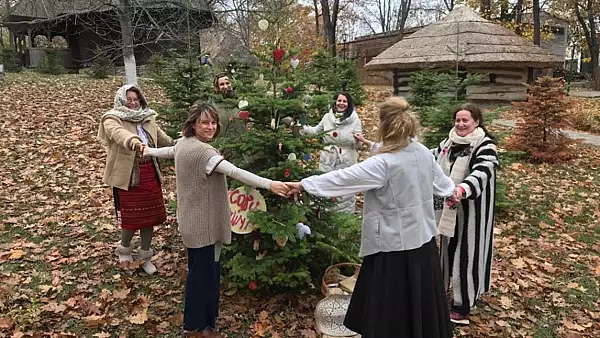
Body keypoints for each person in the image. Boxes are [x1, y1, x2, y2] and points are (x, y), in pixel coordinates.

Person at [287, 97, 455, 338]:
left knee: (390, 313)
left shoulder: (384, 164)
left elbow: (343, 178)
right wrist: (455, 192)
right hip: (424, 244)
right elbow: (444, 185)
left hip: (393, 249)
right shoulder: (422, 153)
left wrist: (303, 184)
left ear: (384, 123)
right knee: (420, 308)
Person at [143, 101, 289, 337]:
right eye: (204, 122)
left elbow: (168, 151)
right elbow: (235, 172)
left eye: (213, 122)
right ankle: (194, 327)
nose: (210, 127)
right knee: (203, 277)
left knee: (201, 273)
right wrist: (270, 184)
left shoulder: (184, 144)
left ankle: (206, 322)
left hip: (191, 222)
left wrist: (149, 151)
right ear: (193, 124)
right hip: (205, 226)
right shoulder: (204, 153)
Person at [432, 103, 498, 325]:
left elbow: (482, 172)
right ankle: (441, 292)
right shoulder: (447, 143)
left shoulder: (485, 145)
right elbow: (430, 160)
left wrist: (462, 189)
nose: (460, 124)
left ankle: (463, 304)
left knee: (466, 255)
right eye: (457, 120)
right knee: (446, 251)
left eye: (465, 120)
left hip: (472, 213)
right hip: (449, 209)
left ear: (476, 122)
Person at [97, 84, 174, 275]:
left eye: (135, 99)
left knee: (150, 217)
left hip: (150, 173)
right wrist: (133, 141)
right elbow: (118, 133)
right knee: (131, 217)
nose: (132, 103)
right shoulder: (112, 118)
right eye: (129, 99)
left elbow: (164, 138)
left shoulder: (148, 118)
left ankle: (144, 257)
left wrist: (181, 144)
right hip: (127, 177)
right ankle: (124, 250)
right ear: (121, 100)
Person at [300, 92, 363, 213]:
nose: (341, 103)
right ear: (335, 102)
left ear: (348, 104)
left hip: (346, 157)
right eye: (339, 101)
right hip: (328, 156)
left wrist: (357, 140)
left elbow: (358, 144)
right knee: (325, 182)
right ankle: (325, 213)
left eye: (344, 101)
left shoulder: (355, 120)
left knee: (345, 185)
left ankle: (344, 216)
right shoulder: (327, 117)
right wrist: (303, 129)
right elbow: (316, 131)